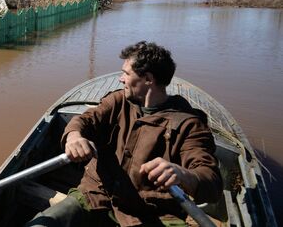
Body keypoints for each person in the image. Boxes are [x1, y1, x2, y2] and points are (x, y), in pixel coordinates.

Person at [27, 41, 222, 227]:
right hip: (96, 197)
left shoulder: (189, 124)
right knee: (44, 223)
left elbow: (211, 180)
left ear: (148, 79)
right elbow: (84, 120)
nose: (121, 79)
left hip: (153, 214)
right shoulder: (118, 101)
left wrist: (184, 175)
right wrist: (74, 137)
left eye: (126, 74)